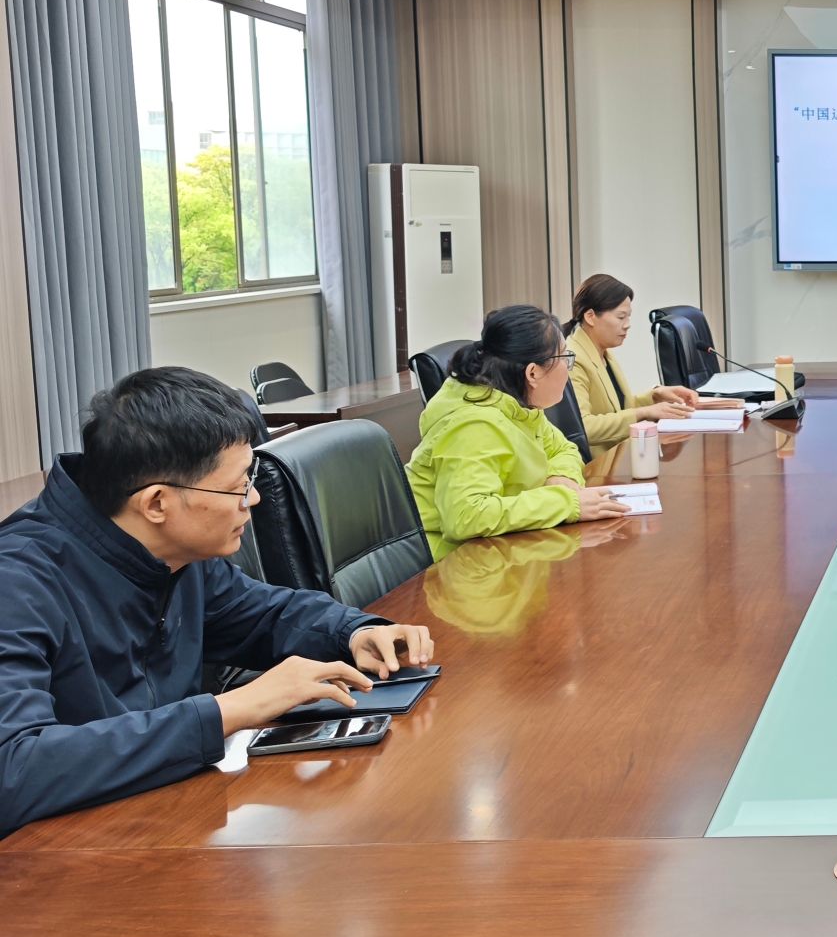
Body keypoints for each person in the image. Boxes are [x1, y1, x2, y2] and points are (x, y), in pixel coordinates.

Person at [0, 367, 435, 839]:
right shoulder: (18, 581)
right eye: (235, 488)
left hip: (166, 819)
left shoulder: (173, 551)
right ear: (157, 503)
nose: (254, 498)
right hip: (62, 855)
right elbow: (14, 768)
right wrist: (231, 709)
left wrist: (353, 632)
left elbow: (262, 613)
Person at [408, 304, 630, 560]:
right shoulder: (474, 425)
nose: (567, 369)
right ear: (533, 372)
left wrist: (561, 478)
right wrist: (565, 503)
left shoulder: (517, 406)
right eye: (564, 359)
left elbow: (564, 448)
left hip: (504, 548)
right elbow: (466, 516)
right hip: (456, 565)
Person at [565, 273, 733, 449]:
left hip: (623, 453)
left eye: (628, 317)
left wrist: (654, 397)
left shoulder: (602, 350)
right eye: (621, 317)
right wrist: (644, 412)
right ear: (590, 316)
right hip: (600, 462)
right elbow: (583, 427)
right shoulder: (574, 360)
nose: (627, 324)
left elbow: (618, 409)